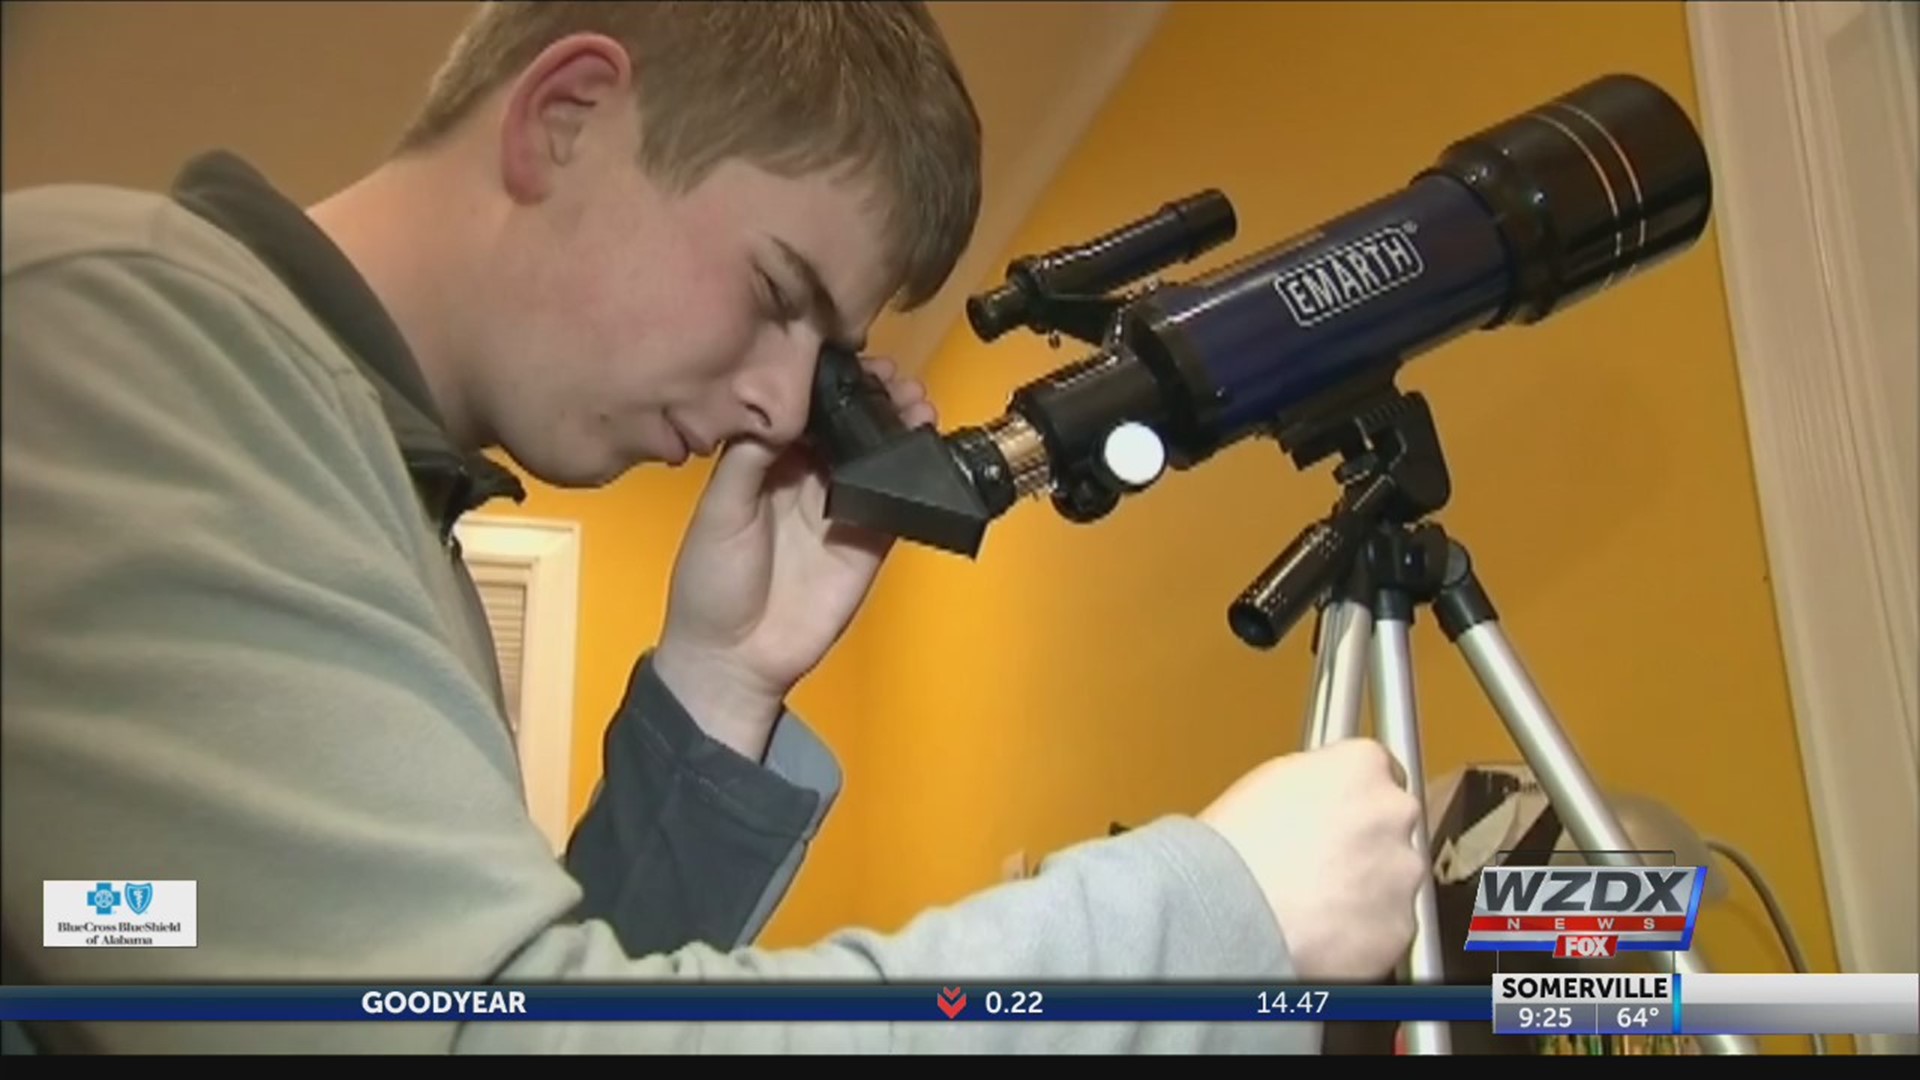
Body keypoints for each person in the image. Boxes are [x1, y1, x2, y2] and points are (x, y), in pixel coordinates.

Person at [0, 0, 1426, 1054]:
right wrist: (1207, 919)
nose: (769, 402)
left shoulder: (373, 490)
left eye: (820, 351)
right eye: (775, 291)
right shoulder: (98, 335)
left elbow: (389, 993)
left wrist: (717, 685)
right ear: (566, 118)